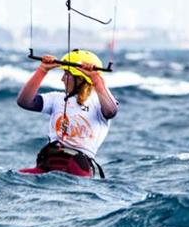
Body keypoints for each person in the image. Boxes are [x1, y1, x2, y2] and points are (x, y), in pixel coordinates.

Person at [17, 49, 118, 178]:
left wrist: (96, 80)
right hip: (49, 160)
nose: (62, 79)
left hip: (78, 165)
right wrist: (42, 70)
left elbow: (111, 112)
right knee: (17, 176)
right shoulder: (56, 98)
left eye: (67, 74)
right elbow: (24, 102)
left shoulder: (98, 101)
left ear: (80, 78)